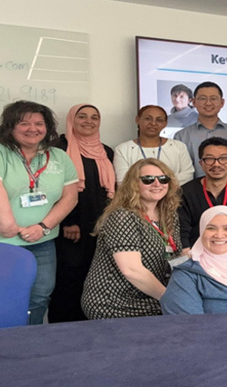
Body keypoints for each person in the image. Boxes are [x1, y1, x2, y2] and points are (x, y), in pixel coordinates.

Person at [0, 100, 79, 325]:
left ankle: (28, 342)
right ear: (10, 126)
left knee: (39, 296)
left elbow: (70, 197)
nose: (32, 129)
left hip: (40, 242)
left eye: (39, 123)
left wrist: (42, 228)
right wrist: (8, 226)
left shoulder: (59, 156)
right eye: (24, 123)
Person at [81, 158, 181, 319]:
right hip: (115, 301)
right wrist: (172, 299)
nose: (157, 184)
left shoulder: (169, 214)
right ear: (134, 184)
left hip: (150, 295)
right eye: (148, 180)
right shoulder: (123, 216)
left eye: (163, 179)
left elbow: (175, 255)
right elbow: (132, 271)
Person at [49, 103, 115, 323]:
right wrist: (67, 221)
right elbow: (52, 188)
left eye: (94, 117)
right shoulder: (58, 148)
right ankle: (63, 329)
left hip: (99, 226)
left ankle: (89, 326)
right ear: (71, 120)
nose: (89, 121)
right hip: (70, 227)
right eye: (82, 117)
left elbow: (110, 191)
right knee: (69, 279)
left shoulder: (106, 151)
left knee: (94, 277)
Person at [175, 82, 227, 178]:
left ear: (222, 103)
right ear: (194, 102)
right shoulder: (181, 136)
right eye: (203, 98)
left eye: (213, 99)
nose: (208, 103)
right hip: (193, 190)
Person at [114, 105, 194, 185]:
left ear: (165, 123)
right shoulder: (123, 149)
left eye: (159, 120)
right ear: (137, 119)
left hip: (173, 196)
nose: (153, 123)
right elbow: (123, 181)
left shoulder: (179, 147)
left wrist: (160, 187)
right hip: (136, 197)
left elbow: (188, 175)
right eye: (148, 118)